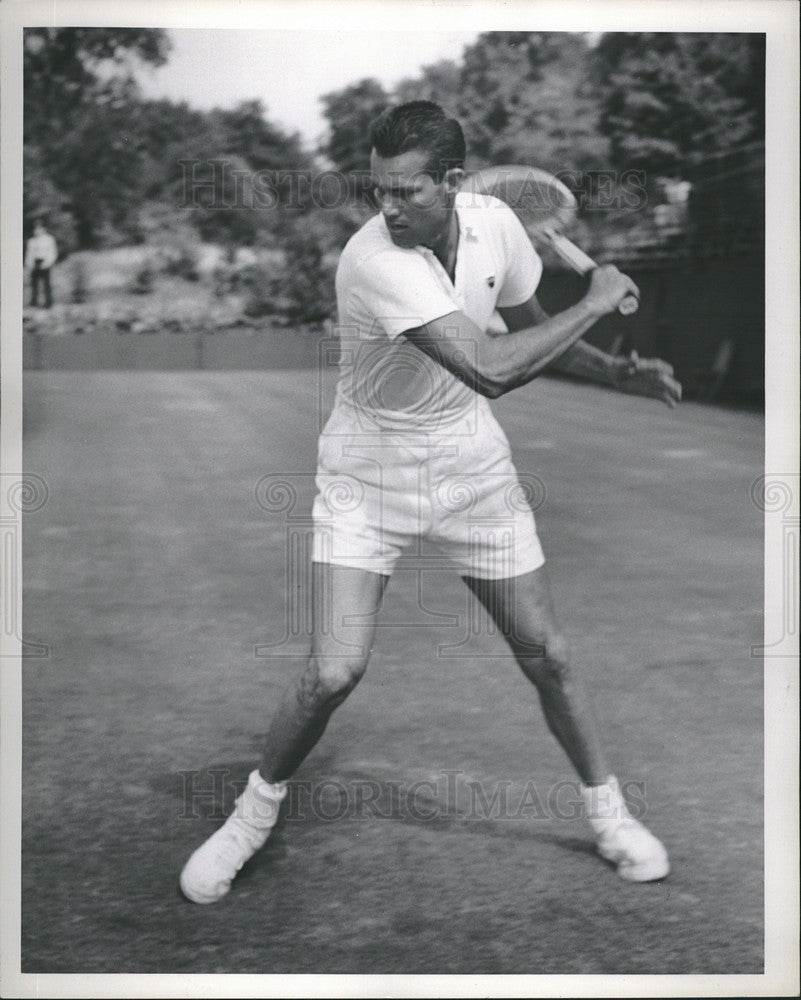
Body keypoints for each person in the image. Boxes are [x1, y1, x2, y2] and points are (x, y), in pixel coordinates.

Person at [180, 102, 682, 904]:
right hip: (365, 474)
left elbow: (536, 332)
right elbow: (489, 367)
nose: (387, 206)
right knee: (334, 670)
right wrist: (599, 298)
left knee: (548, 654)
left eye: (405, 191)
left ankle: (609, 816)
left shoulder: (498, 228)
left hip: (470, 466)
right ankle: (248, 817)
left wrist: (615, 369)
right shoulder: (373, 260)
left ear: (451, 183)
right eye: (377, 190)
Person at [25, 217, 58, 308]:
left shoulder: (49, 239)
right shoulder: (31, 241)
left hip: (45, 262)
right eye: (35, 228)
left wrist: (48, 263)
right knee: (34, 283)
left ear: (44, 229)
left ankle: (48, 302)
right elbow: (29, 253)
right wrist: (29, 263)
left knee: (46, 284)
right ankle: (34, 301)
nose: (37, 231)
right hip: (35, 262)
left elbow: (52, 252)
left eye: (39, 228)